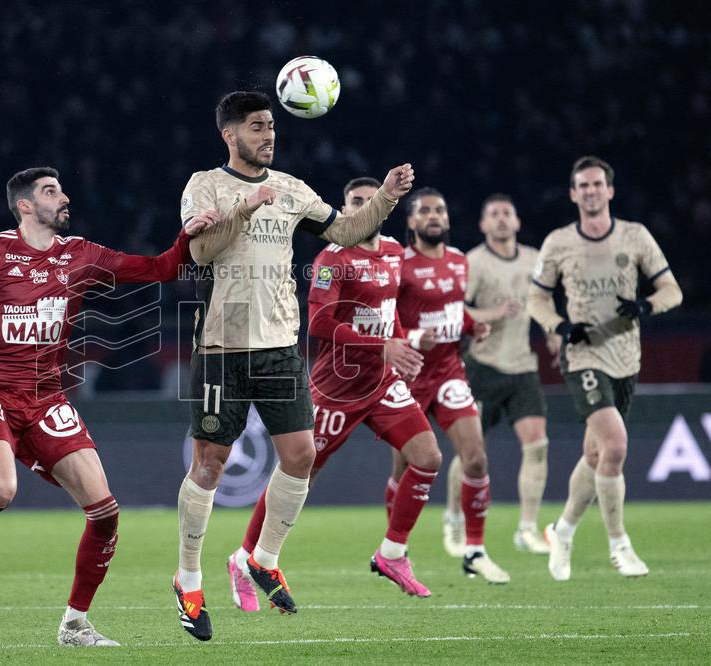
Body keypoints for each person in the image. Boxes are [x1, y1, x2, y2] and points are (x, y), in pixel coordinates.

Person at [0, 166, 214, 647]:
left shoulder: (79, 254)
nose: (63, 198)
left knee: (105, 512)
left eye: (61, 190)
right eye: (50, 192)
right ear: (25, 205)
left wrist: (185, 237)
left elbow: (160, 269)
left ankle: (75, 624)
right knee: (1, 490)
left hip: (47, 398)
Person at [175, 91, 415, 641]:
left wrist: (385, 197)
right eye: (257, 127)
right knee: (210, 464)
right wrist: (241, 208)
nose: (269, 135)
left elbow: (346, 232)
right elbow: (199, 252)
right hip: (221, 345)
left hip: (279, 345)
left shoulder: (292, 189)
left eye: (272, 126)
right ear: (229, 135)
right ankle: (188, 577)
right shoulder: (203, 185)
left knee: (301, 455)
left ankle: (263, 557)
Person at [228, 177, 439, 609]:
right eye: (354, 204)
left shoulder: (397, 254)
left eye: (369, 202)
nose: (362, 210)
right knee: (297, 476)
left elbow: (388, 313)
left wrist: (398, 351)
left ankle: (393, 553)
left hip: (382, 384)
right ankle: (245, 559)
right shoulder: (332, 258)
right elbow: (321, 324)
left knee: (428, 457)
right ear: (343, 212)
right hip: (335, 390)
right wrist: (385, 346)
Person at [527, 156, 682, 581]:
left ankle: (563, 532)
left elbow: (672, 290)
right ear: (573, 194)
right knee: (615, 445)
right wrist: (559, 325)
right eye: (583, 185)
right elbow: (536, 298)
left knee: (595, 454)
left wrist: (645, 306)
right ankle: (620, 545)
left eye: (598, 184)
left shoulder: (635, 236)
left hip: (626, 356)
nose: (591, 191)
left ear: (610, 191)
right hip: (583, 356)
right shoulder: (558, 242)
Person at [391, 187, 511, 583]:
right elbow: (382, 319)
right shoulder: (400, 264)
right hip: (406, 376)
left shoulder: (460, 261)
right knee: (406, 470)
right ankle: (396, 550)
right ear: (410, 221)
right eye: (424, 211)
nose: (433, 216)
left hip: (448, 372)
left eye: (439, 210)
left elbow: (454, 309)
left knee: (475, 457)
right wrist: (410, 338)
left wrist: (475, 325)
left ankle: (474, 551)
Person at [463, 194, 555, 555]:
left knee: (537, 446)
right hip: (483, 367)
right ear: (484, 225)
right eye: (493, 214)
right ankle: (455, 518)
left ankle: (527, 528)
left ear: (517, 222)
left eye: (507, 214)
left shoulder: (535, 260)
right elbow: (461, 310)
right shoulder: (474, 262)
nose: (501, 219)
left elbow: (543, 302)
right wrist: (494, 313)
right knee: (471, 454)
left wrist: (551, 334)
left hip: (522, 367)